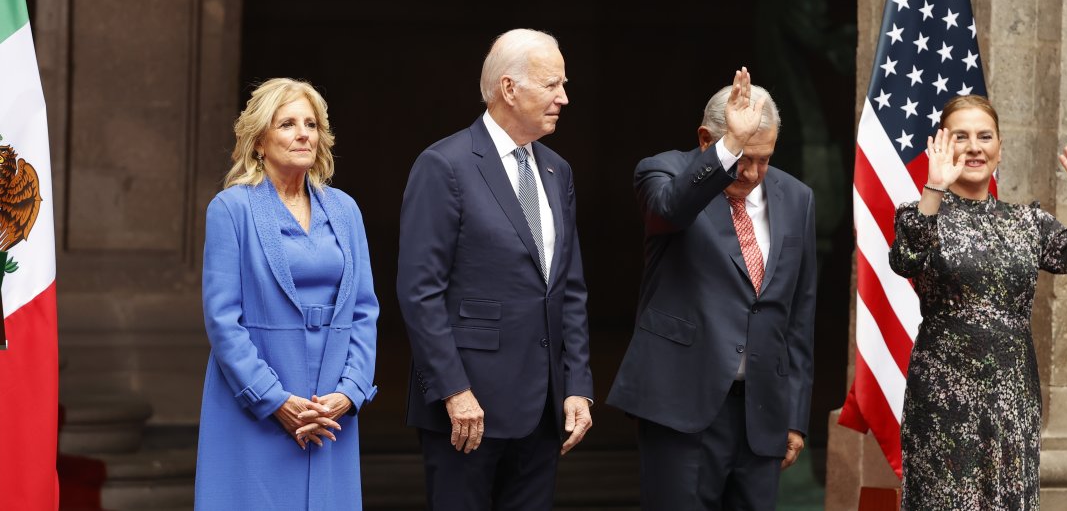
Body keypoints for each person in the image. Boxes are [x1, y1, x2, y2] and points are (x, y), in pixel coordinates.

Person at [890, 94, 1067, 509]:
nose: (974, 147)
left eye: (985, 136)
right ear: (942, 145)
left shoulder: (1028, 222)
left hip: (1012, 398)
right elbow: (905, 258)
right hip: (945, 400)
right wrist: (934, 188)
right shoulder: (920, 212)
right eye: (961, 137)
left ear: (1000, 148)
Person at [396, 29, 594, 511]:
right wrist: (455, 391)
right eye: (552, 85)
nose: (563, 98)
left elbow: (569, 288)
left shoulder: (557, 170)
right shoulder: (444, 165)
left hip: (544, 410)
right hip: (467, 410)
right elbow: (419, 291)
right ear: (510, 89)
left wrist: (578, 387)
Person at [607, 68, 819, 511]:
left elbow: (798, 314)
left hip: (761, 411)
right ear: (707, 139)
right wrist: (728, 151)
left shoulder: (796, 197)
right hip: (682, 404)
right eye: (744, 156)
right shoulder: (663, 172)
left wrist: (795, 416)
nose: (754, 172)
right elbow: (669, 211)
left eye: (765, 158)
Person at [194, 78, 380, 511]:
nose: (303, 134)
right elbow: (223, 320)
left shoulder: (345, 209)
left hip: (329, 411)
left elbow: (365, 310)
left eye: (311, 124)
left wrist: (350, 391)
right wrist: (274, 400)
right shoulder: (231, 209)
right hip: (255, 406)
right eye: (288, 124)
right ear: (259, 141)